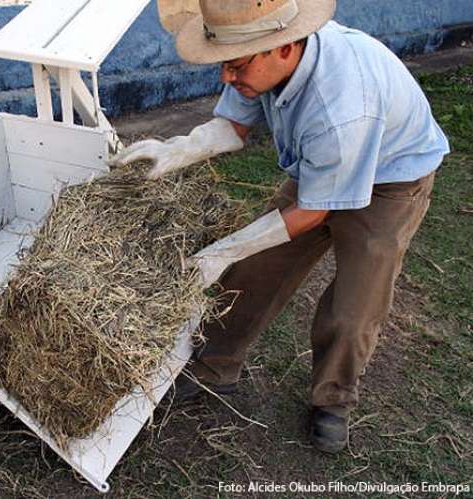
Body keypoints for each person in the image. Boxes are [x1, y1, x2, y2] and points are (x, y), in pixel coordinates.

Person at [110, 0, 449, 453]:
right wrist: (179, 148)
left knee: (355, 306)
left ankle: (333, 400)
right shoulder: (257, 53)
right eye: (225, 65)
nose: (227, 78)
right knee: (256, 270)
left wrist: (222, 250)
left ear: (284, 48)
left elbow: (313, 213)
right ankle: (214, 366)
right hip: (321, 168)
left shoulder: (340, 106)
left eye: (236, 67)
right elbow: (233, 125)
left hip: (391, 179)